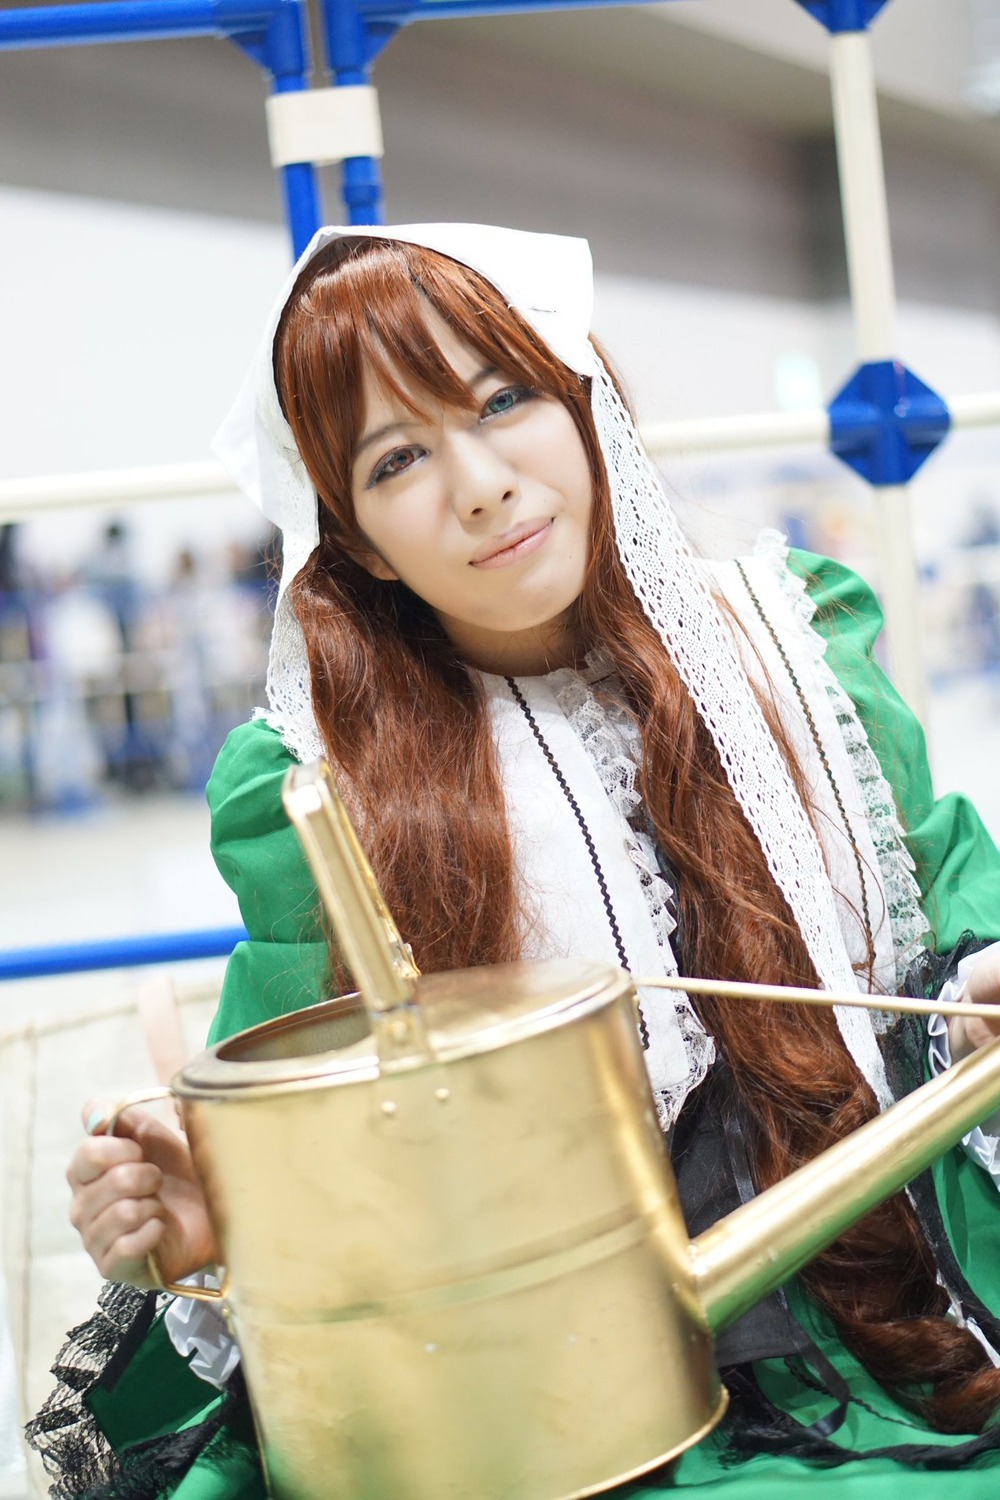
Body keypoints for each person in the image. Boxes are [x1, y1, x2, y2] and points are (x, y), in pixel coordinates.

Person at [31, 224, 1000, 1498]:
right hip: (530, 1388)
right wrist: (213, 1235)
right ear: (359, 540)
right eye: (399, 458)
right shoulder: (311, 792)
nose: (480, 482)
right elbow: (289, 1164)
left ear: (585, 405)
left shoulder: (799, 650)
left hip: (898, 1308)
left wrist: (974, 995)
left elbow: (948, 915)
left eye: (505, 399)